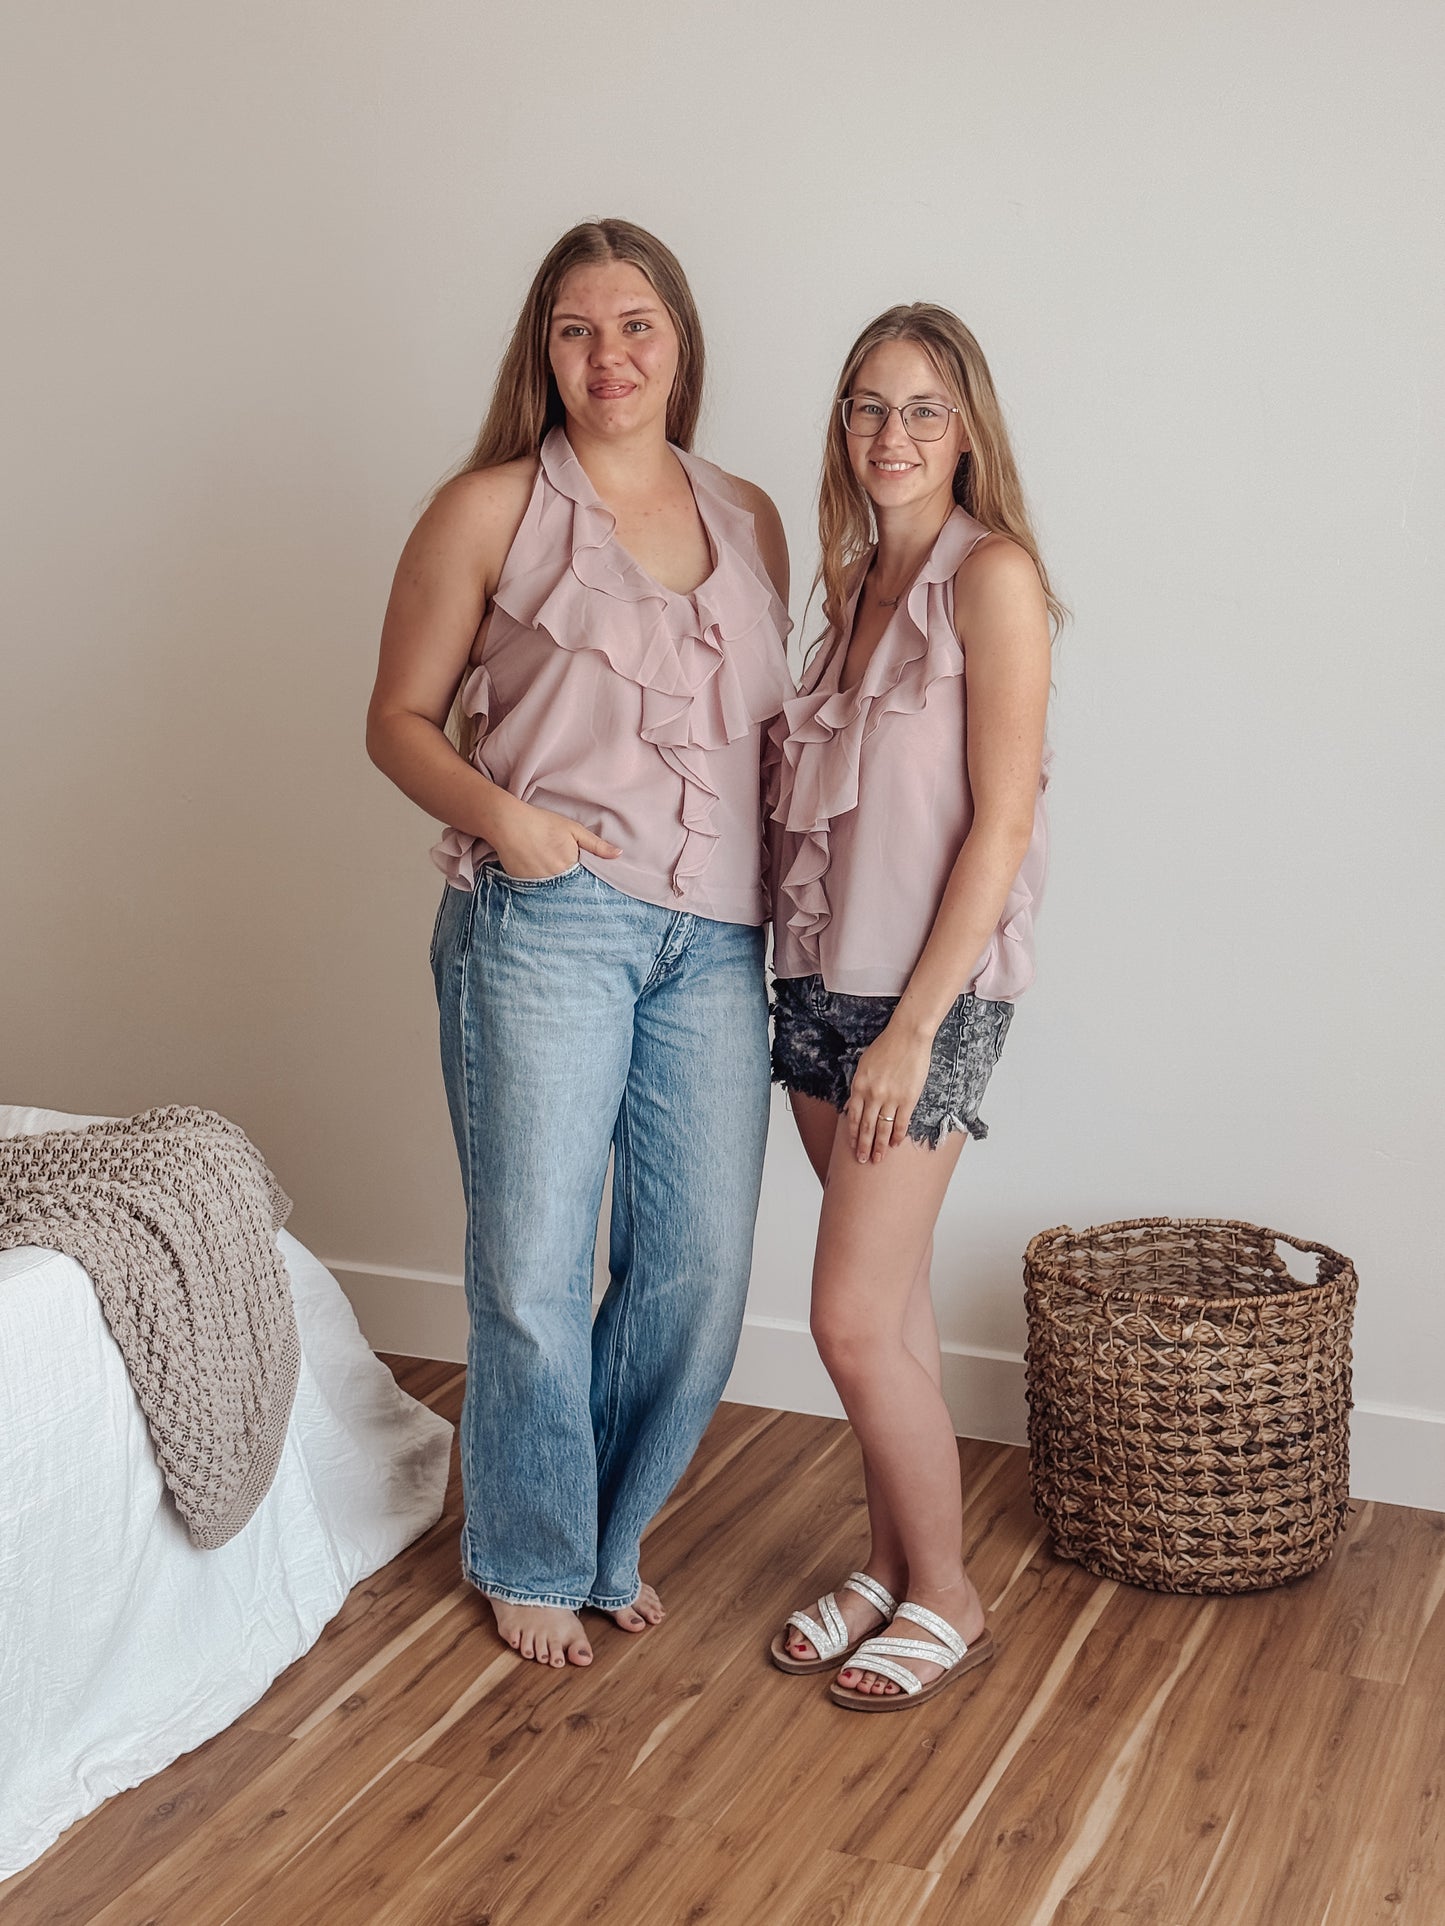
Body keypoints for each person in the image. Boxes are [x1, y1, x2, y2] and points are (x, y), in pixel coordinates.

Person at [366, 219, 792, 1671]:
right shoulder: (487, 508)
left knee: (698, 1268)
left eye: (635, 325)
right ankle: (531, 1551)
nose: (608, 356)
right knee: (533, 1261)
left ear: (679, 341)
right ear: (541, 352)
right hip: (547, 920)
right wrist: (510, 820)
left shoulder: (750, 514)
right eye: (575, 329)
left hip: (717, 940)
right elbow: (396, 722)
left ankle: (608, 1531)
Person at [766, 303, 1057, 1710]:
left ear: (967, 431)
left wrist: (914, 1029)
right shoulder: (848, 588)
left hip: (917, 1001)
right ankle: (888, 1565)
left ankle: (947, 1591)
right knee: (887, 1308)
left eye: (924, 409)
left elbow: (1000, 825)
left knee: (843, 1319)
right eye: (868, 407)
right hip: (814, 985)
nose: (892, 434)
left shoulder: (990, 578)